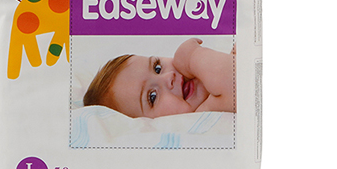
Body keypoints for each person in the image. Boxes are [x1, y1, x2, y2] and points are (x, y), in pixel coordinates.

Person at [83, 38, 236, 118]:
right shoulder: (205, 113)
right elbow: (235, 80)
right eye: (152, 96)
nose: (169, 77)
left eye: (157, 68)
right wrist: (192, 56)